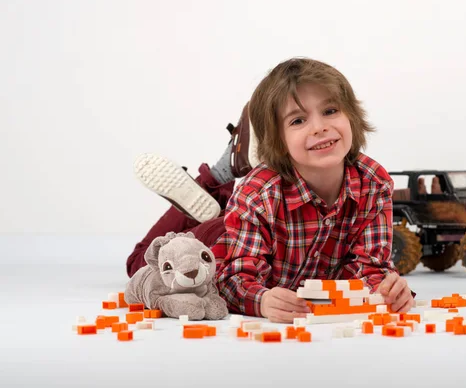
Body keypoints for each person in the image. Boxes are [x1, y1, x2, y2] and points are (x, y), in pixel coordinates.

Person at [127, 57, 416, 323]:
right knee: (142, 264)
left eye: (330, 111)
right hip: (218, 247)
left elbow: (371, 267)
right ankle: (217, 176)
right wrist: (262, 301)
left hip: (257, 233)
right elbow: (234, 279)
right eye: (298, 120)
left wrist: (387, 288)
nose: (320, 127)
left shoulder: (374, 182)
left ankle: (223, 174)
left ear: (352, 116)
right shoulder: (258, 193)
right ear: (277, 141)